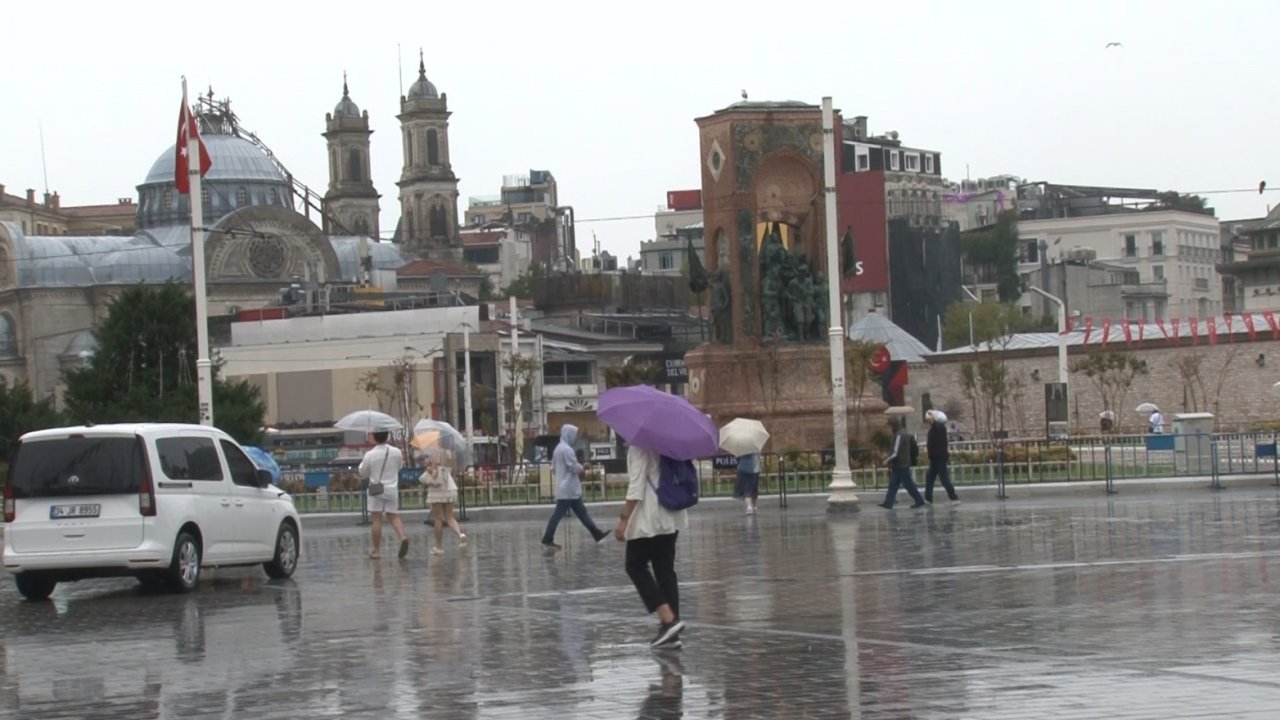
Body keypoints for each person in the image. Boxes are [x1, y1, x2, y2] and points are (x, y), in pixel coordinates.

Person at [615, 445, 687, 649]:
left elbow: (636, 486)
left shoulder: (640, 445)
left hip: (649, 516)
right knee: (665, 570)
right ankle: (671, 632)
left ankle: (668, 619)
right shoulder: (671, 442)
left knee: (635, 566)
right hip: (672, 512)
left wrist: (624, 520)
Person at [541, 424, 609, 552]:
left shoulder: (557, 449)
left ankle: (596, 533)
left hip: (566, 489)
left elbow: (553, 468)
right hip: (569, 489)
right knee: (558, 516)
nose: (575, 437)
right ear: (569, 435)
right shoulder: (567, 450)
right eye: (574, 435)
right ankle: (547, 538)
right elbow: (574, 467)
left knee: (582, 513)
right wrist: (584, 466)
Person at [359, 431, 409, 559]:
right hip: (392, 489)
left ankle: (376, 550)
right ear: (387, 436)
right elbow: (399, 467)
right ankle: (402, 537)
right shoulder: (396, 452)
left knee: (376, 519)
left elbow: (363, 472)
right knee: (393, 516)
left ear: (374, 437)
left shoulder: (370, 454)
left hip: (376, 489)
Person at [421, 453, 466, 555]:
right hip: (449, 487)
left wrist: (428, 466)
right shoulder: (450, 453)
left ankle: (439, 547)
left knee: (438, 519)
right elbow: (452, 470)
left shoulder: (435, 453)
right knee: (449, 517)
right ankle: (460, 534)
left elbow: (433, 472)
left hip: (437, 490)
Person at [878, 417, 926, 510]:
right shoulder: (901, 433)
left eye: (889, 426)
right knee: (894, 484)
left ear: (893, 425)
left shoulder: (899, 435)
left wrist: (886, 460)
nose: (889, 429)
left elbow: (896, 451)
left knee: (907, 484)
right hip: (901, 464)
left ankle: (919, 500)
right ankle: (888, 502)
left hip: (901, 464)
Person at [924, 411, 960, 505]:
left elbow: (936, 424)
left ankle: (954, 498)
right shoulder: (933, 429)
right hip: (934, 458)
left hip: (939, 458)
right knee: (929, 478)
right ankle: (928, 499)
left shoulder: (940, 427)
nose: (928, 420)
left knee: (944, 479)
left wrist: (932, 416)